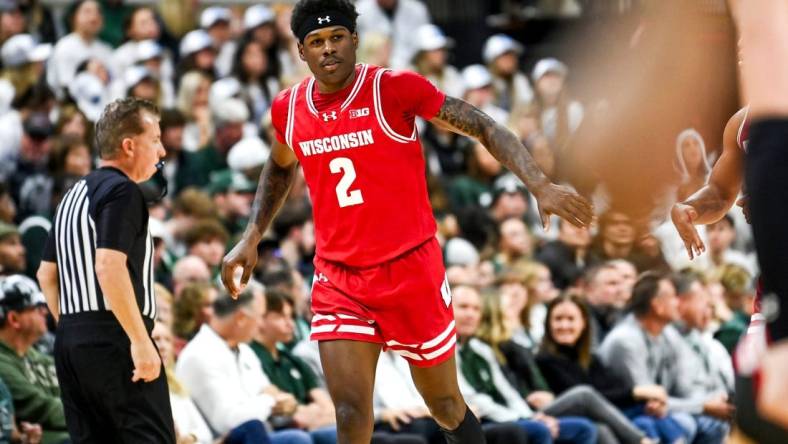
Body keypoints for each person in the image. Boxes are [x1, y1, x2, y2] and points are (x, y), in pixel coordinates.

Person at [222, 1, 594, 443]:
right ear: (301, 52)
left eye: (337, 37)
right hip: (340, 277)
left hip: (410, 269)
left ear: (355, 40)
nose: (329, 50)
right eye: (316, 42)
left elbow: (484, 126)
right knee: (349, 410)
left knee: (446, 406)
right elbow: (281, 165)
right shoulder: (289, 108)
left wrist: (540, 184)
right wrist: (252, 235)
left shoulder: (392, 89)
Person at [36, 98, 175, 443]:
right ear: (129, 146)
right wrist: (140, 341)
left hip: (70, 342)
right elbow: (108, 265)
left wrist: (73, 330)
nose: (162, 152)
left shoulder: (71, 195)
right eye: (155, 139)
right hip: (117, 340)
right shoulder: (122, 191)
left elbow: (46, 275)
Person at [536, 293, 684, 444]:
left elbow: (613, 391)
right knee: (601, 426)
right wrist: (635, 392)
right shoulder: (544, 360)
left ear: (584, 323)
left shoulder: (591, 359)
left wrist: (648, 402)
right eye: (558, 319)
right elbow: (591, 400)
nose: (564, 325)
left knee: (646, 416)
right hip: (569, 417)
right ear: (548, 324)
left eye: (570, 319)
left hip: (601, 414)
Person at [0, 275, 68, 443]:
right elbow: (39, 407)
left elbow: (74, 396)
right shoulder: (2, 361)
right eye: (36, 307)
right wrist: (92, 415)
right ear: (14, 319)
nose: (45, 311)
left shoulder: (42, 358)